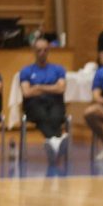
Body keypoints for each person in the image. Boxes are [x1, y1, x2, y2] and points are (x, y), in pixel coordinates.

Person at [19, 37, 68, 165]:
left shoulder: (58, 69)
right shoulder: (26, 71)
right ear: (34, 51)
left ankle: (53, 144)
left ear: (49, 51)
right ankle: (56, 140)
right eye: (39, 50)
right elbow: (27, 92)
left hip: (55, 102)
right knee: (41, 114)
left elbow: (61, 88)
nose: (42, 53)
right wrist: (51, 88)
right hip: (34, 104)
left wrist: (39, 87)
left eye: (45, 50)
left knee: (55, 116)